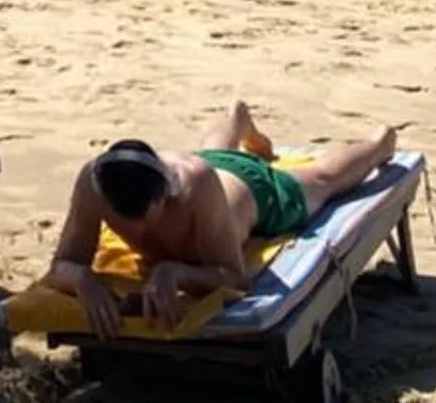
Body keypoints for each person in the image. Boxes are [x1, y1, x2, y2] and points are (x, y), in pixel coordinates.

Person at [43, 100, 399, 334]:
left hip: (256, 192)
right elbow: (62, 263)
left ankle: (380, 144)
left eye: (143, 216)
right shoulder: (94, 183)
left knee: (324, 180)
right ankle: (237, 117)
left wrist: (176, 271)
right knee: (211, 154)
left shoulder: (193, 187)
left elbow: (235, 277)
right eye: (124, 217)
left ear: (162, 193)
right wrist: (83, 281)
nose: (134, 229)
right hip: (211, 165)